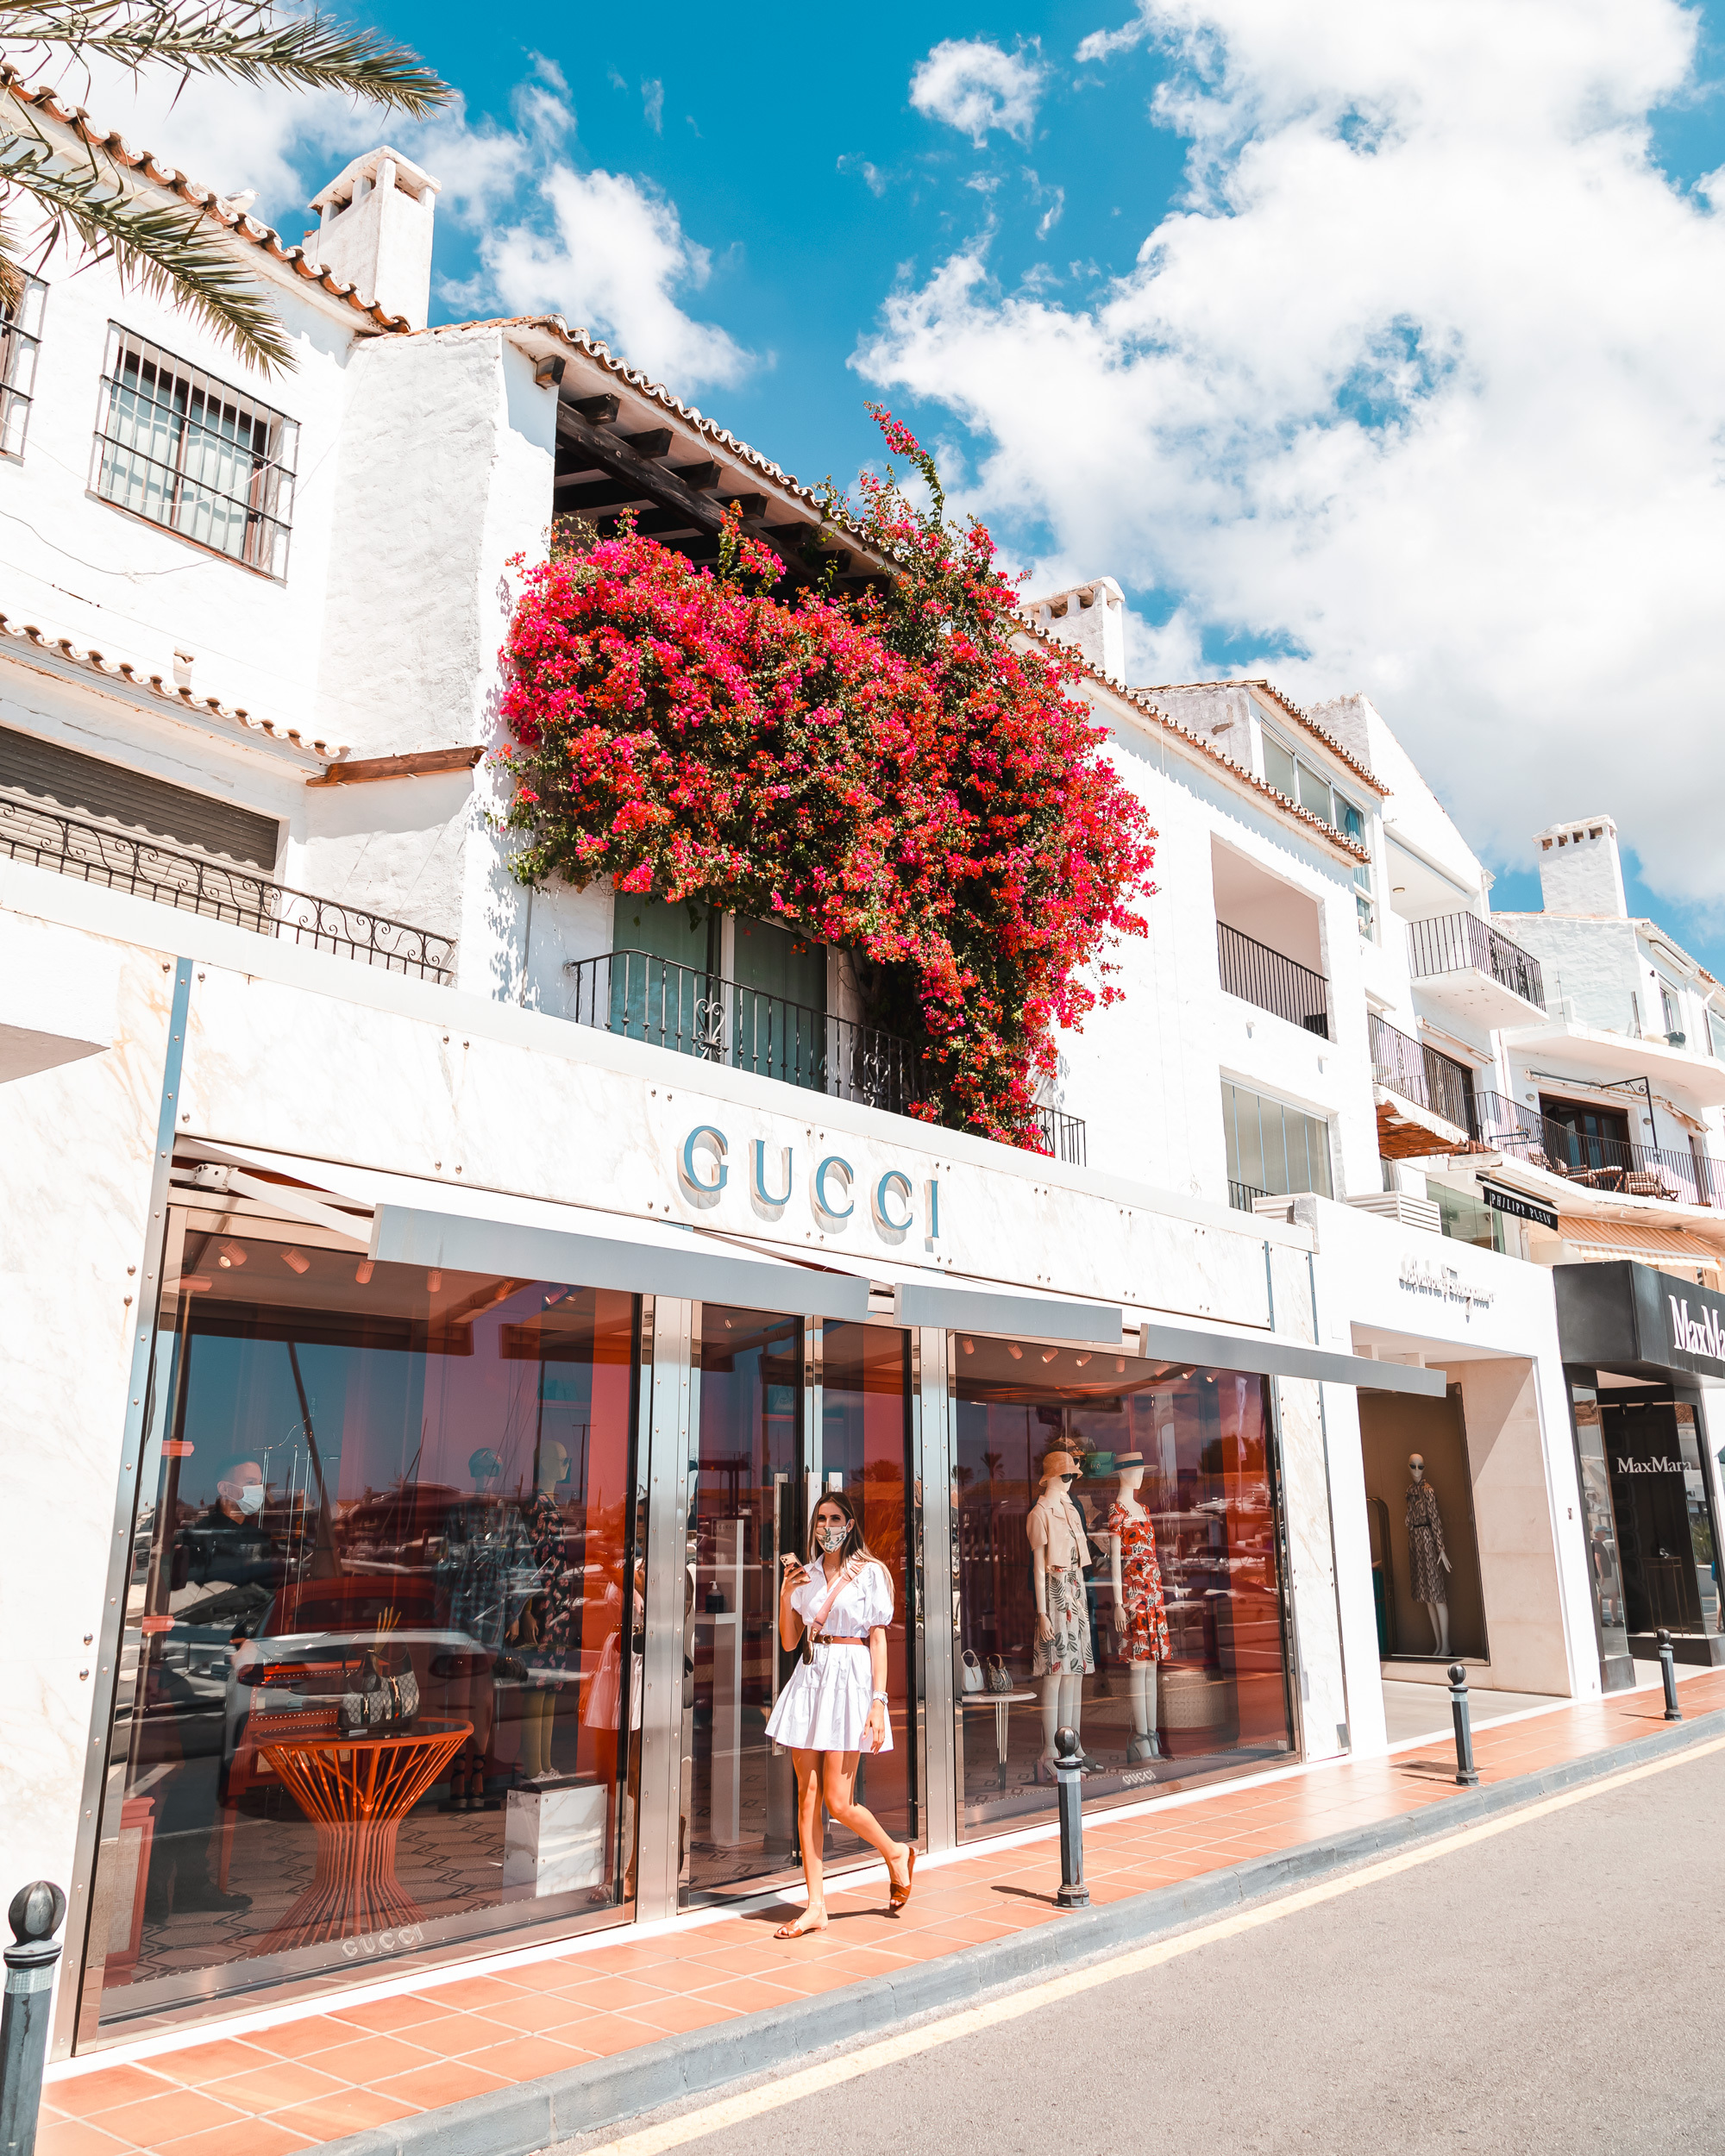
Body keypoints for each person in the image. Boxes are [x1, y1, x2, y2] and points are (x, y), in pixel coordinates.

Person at [767, 1489, 913, 1938]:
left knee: (839, 1800)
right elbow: (791, 1643)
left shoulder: (869, 1573)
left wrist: (879, 1701)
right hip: (811, 1679)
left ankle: (895, 1853)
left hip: (850, 1681)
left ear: (849, 1524)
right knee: (806, 1796)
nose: (825, 1527)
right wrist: (785, 1595)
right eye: (819, 1520)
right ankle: (816, 1905)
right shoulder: (805, 1575)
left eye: (834, 1519)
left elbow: (878, 1638)